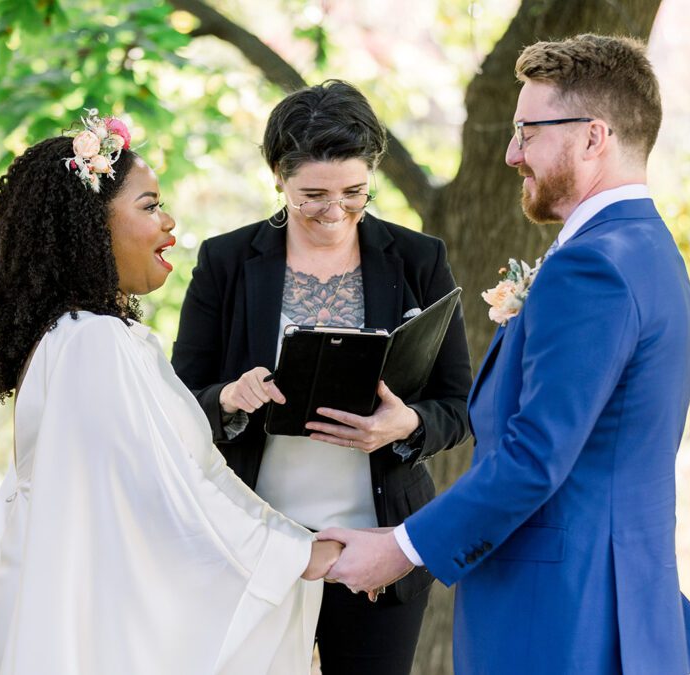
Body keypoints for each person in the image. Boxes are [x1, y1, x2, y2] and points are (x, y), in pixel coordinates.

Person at [319, 35, 690, 674]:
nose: (512, 153)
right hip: (615, 606)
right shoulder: (650, 254)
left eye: (528, 131)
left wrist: (401, 547)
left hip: (558, 622)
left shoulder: (592, 266)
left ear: (594, 137)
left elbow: (535, 458)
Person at [0, 110, 342, 675]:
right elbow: (163, 499)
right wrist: (300, 554)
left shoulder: (81, 336)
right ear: (89, 224)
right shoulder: (91, 343)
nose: (170, 223)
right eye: (150, 206)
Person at [170, 80, 472, 674]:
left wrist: (406, 424)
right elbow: (179, 401)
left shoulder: (419, 259)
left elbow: (459, 405)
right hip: (253, 542)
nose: (335, 212)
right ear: (277, 177)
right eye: (312, 195)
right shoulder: (225, 261)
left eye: (354, 193)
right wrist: (229, 399)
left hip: (379, 547)